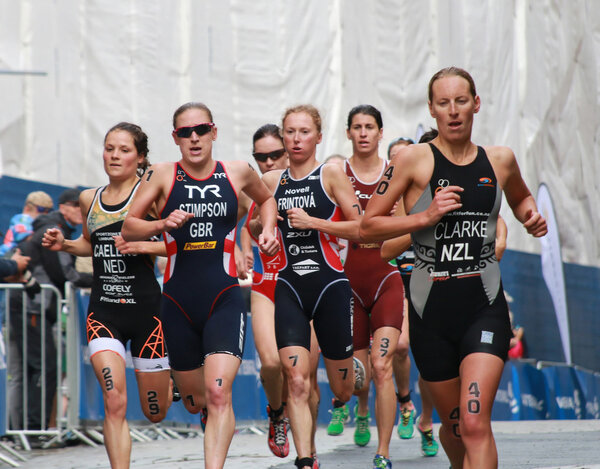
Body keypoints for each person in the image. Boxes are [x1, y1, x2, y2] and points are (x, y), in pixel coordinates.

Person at [360, 67, 547, 469]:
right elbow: (368, 225)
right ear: (432, 109)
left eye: (461, 101)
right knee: (457, 427)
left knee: (476, 423)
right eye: (443, 103)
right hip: (431, 315)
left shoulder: (499, 160)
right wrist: (423, 217)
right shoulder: (413, 160)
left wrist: (531, 216)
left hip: (484, 307)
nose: (453, 111)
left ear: (475, 104)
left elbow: (521, 200)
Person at [121, 102, 279, 469]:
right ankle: (204, 411)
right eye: (185, 132)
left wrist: (267, 230)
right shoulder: (161, 174)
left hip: (223, 297)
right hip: (177, 302)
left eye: (201, 130)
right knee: (196, 401)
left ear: (214, 133)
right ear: (175, 139)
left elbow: (267, 200)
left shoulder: (237, 171)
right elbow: (129, 226)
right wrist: (161, 224)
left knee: (218, 392)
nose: (194, 138)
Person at [42, 122, 171, 468]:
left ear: (140, 157)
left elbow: (177, 246)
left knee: (155, 412)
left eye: (124, 150)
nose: (114, 156)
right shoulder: (89, 197)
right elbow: (90, 243)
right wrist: (65, 244)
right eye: (109, 148)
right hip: (105, 314)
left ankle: (176, 377)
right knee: (114, 400)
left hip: (148, 316)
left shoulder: (150, 197)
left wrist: (142, 244)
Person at [260, 104, 365, 469]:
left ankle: (351, 370)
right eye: (289, 132)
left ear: (318, 137)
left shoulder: (332, 174)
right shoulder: (273, 181)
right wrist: (264, 237)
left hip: (330, 286)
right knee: (297, 380)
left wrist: (315, 223)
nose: (296, 139)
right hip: (289, 287)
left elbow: (361, 228)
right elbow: (253, 226)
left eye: (304, 132)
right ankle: (306, 460)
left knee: (342, 390)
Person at [330, 104, 405, 469]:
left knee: (382, 364)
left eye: (369, 127)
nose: (363, 133)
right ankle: (358, 407)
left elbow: (409, 221)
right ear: (348, 133)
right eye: (356, 127)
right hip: (347, 284)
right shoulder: (337, 172)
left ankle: (384, 451)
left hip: (385, 278)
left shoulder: (396, 173)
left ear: (380, 133)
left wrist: (395, 231)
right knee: (358, 378)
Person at [8, 188, 93, 431]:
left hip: (28, 305)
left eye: (83, 206)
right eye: (75, 205)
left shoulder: (54, 228)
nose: (80, 210)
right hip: (31, 306)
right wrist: (101, 280)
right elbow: (65, 275)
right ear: (63, 207)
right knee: (42, 368)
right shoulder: (52, 230)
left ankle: (21, 429)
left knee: (24, 371)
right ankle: (33, 429)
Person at [381, 129, 441, 458]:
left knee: (433, 364)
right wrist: (417, 223)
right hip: (395, 279)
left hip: (432, 280)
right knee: (402, 346)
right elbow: (381, 246)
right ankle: (404, 400)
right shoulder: (386, 200)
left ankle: (427, 421)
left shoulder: (433, 191)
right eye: (397, 158)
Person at [240, 123, 292, 458]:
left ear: (288, 150)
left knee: (303, 377)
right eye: (262, 157)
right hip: (266, 282)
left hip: (304, 282)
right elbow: (242, 228)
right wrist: (244, 250)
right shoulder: (251, 188)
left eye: (276, 154)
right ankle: (276, 414)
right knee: (271, 365)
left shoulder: (309, 181)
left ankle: (308, 454)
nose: (269, 161)